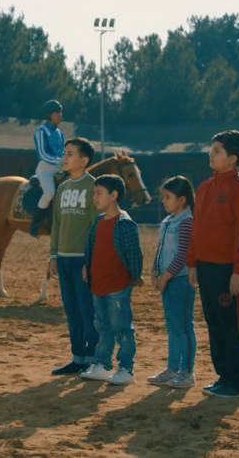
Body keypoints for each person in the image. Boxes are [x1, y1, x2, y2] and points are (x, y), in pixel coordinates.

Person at [186, 130, 239, 399]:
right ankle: (223, 378)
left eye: (217, 151)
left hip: (229, 270)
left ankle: (237, 383)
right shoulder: (205, 186)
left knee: (233, 327)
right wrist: (192, 263)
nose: (210, 154)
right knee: (215, 325)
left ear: (233, 159)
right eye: (212, 149)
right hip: (205, 268)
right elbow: (196, 228)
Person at [79, 174, 144, 385]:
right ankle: (103, 365)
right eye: (94, 193)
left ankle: (126, 369)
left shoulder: (125, 223)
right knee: (102, 327)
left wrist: (136, 275)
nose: (95, 197)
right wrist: (86, 267)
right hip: (97, 284)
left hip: (117, 286)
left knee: (122, 327)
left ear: (113, 195)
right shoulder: (98, 221)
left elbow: (134, 253)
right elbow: (90, 248)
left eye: (99, 193)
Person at [47, 137, 102, 374]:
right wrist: (53, 256)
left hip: (83, 260)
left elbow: (96, 226)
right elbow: (57, 225)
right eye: (64, 153)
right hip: (64, 259)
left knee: (87, 312)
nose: (64, 157)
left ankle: (93, 358)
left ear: (84, 160)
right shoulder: (62, 188)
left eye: (70, 154)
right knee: (71, 312)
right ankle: (78, 357)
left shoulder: (93, 187)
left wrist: (89, 261)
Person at [146, 176, 197, 389]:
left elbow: (184, 254)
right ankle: (172, 368)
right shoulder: (168, 222)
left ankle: (186, 372)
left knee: (184, 327)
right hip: (167, 280)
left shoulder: (186, 222)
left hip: (180, 282)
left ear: (182, 200)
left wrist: (165, 277)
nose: (164, 201)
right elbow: (160, 249)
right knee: (172, 326)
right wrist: (154, 271)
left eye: (168, 197)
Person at [31, 100, 65, 237]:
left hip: (60, 168)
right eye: (57, 112)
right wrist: (62, 162)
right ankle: (35, 223)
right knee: (49, 193)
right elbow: (43, 154)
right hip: (45, 168)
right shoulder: (40, 131)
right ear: (49, 115)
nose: (60, 114)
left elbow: (62, 153)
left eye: (60, 112)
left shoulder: (60, 133)